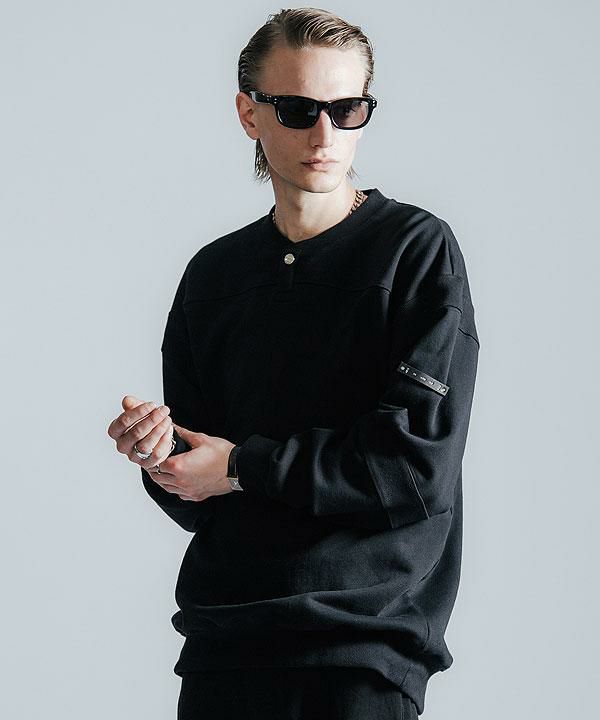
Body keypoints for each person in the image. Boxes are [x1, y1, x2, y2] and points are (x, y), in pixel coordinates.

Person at [107, 7, 480, 719]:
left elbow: (412, 469)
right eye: (299, 109)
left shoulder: (414, 251)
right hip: (226, 643)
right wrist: (163, 457)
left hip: (360, 651)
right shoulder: (214, 275)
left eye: (348, 109)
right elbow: (203, 485)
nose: (325, 135)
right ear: (249, 113)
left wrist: (242, 466)